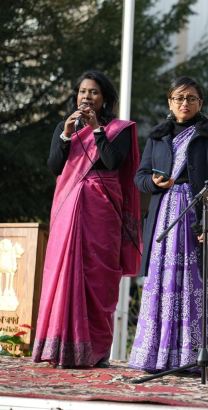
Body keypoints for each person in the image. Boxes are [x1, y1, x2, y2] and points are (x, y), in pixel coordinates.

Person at [33, 71, 141, 368]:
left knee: (99, 276)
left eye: (93, 92)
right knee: (65, 272)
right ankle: (59, 347)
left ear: (104, 98)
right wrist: (66, 135)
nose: (87, 97)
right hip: (68, 208)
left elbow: (113, 162)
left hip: (102, 209)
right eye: (82, 92)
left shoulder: (118, 129)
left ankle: (97, 350)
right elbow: (55, 166)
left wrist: (96, 130)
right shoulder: (64, 126)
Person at [128, 76, 208, 374]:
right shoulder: (157, 135)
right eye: (179, 98)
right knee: (161, 284)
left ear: (200, 103)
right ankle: (154, 355)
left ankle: (189, 357)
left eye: (190, 98)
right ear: (170, 102)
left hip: (196, 214)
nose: (184, 104)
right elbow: (140, 177)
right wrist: (153, 182)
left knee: (194, 284)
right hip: (164, 214)